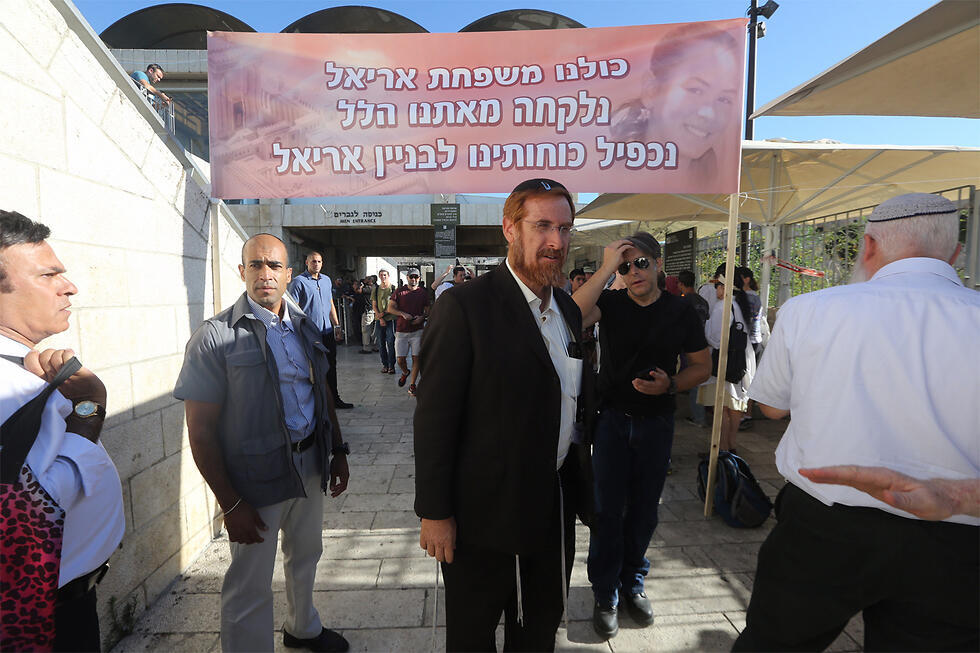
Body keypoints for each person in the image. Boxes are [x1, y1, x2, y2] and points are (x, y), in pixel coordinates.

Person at [734, 193, 980, 652]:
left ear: (867, 246)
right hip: (956, 535)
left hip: (824, 529)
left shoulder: (811, 311)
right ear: (955, 253)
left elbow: (770, 408)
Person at [415, 178, 590, 652]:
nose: (556, 241)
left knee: (538, 627)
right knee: (473, 633)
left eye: (565, 228)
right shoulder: (465, 307)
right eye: (543, 226)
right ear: (510, 229)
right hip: (480, 516)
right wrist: (435, 513)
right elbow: (434, 419)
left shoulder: (569, 312)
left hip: (550, 506)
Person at [174, 234, 351, 653]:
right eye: (255, 265)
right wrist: (231, 503)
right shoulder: (215, 337)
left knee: (306, 554)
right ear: (242, 272)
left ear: (289, 274)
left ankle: (303, 628)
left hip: (310, 464)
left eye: (274, 266)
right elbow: (200, 431)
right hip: (256, 479)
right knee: (250, 581)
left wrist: (338, 450)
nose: (265, 274)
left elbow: (320, 390)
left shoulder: (305, 325)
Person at [572, 231, 711, 639]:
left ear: (658, 262)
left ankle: (632, 582)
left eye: (641, 263)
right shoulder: (610, 304)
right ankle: (605, 593)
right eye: (625, 266)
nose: (633, 272)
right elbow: (571, 315)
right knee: (607, 510)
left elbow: (701, 367)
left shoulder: (681, 311)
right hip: (613, 421)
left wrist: (670, 385)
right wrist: (605, 268)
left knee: (645, 510)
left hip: (657, 423)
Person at [0, 210, 125, 652]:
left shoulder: (22, 369)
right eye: (49, 274)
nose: (69, 286)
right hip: (36, 622)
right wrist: (90, 408)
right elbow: (31, 511)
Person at [609, 22, 740, 187]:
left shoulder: (714, 184)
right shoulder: (611, 171)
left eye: (724, 99)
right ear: (652, 90)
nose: (709, 113)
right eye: (695, 90)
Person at [696, 269, 756, 453]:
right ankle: (731, 445)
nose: (716, 290)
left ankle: (720, 449)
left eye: (719, 286)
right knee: (735, 407)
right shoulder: (742, 305)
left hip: (724, 362)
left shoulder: (722, 306)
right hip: (742, 362)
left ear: (726, 287)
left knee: (721, 408)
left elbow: (715, 338)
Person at [288, 252, 353, 409]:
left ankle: (334, 399)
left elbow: (330, 303)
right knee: (311, 368)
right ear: (307, 262)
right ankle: (314, 402)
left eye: (318, 261)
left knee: (331, 365)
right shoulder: (299, 282)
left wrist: (337, 325)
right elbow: (292, 309)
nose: (316, 264)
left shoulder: (326, 280)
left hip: (328, 331)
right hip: (310, 334)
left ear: (322, 263)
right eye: (313, 261)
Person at [388, 268, 429, 397]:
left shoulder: (423, 293)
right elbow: (390, 308)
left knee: (417, 358)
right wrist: (402, 313)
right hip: (402, 330)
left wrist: (422, 318)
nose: (414, 279)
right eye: (411, 276)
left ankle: (412, 385)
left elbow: (427, 310)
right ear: (407, 277)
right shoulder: (399, 292)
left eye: (416, 277)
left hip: (417, 331)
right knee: (400, 359)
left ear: (419, 278)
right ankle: (405, 372)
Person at [677, 270, 710, 428]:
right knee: (698, 380)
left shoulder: (681, 302)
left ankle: (699, 417)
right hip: (701, 345)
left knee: (690, 380)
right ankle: (699, 415)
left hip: (685, 346)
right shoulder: (703, 301)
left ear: (680, 284)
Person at [371, 269, 397, 374]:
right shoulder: (376, 289)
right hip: (379, 320)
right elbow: (374, 305)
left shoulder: (393, 288)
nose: (383, 277)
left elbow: (395, 304)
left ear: (388, 276)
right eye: (381, 275)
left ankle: (391, 366)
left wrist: (384, 314)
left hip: (391, 319)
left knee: (390, 343)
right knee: (381, 344)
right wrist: (380, 318)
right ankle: (385, 365)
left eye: (385, 275)